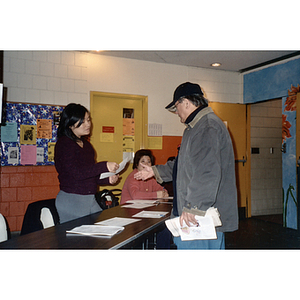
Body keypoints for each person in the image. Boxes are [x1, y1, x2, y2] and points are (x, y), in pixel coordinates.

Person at [134, 82, 238, 249]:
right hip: (199, 213)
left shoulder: (207, 126)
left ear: (186, 102)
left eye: (176, 107)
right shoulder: (195, 127)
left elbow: (207, 171)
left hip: (200, 216)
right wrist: (154, 171)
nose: (176, 113)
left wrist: (193, 207)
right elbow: (182, 164)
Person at [54, 103, 119, 223]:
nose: (88, 124)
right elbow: (76, 173)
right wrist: (104, 166)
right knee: (78, 240)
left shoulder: (87, 146)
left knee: (103, 229)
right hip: (72, 200)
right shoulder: (64, 144)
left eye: (88, 120)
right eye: (83, 121)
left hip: (89, 199)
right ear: (70, 124)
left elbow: (89, 174)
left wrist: (107, 180)